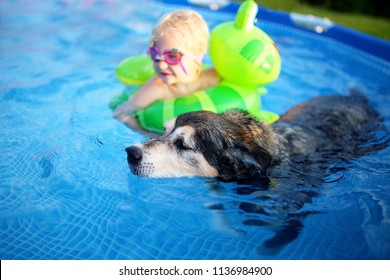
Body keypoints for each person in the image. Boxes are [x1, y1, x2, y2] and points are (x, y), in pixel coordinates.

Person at [114, 9, 220, 133]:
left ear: (198, 56)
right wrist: (147, 134)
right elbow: (121, 113)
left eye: (172, 56)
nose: (161, 65)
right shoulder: (156, 88)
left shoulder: (212, 77)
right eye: (155, 54)